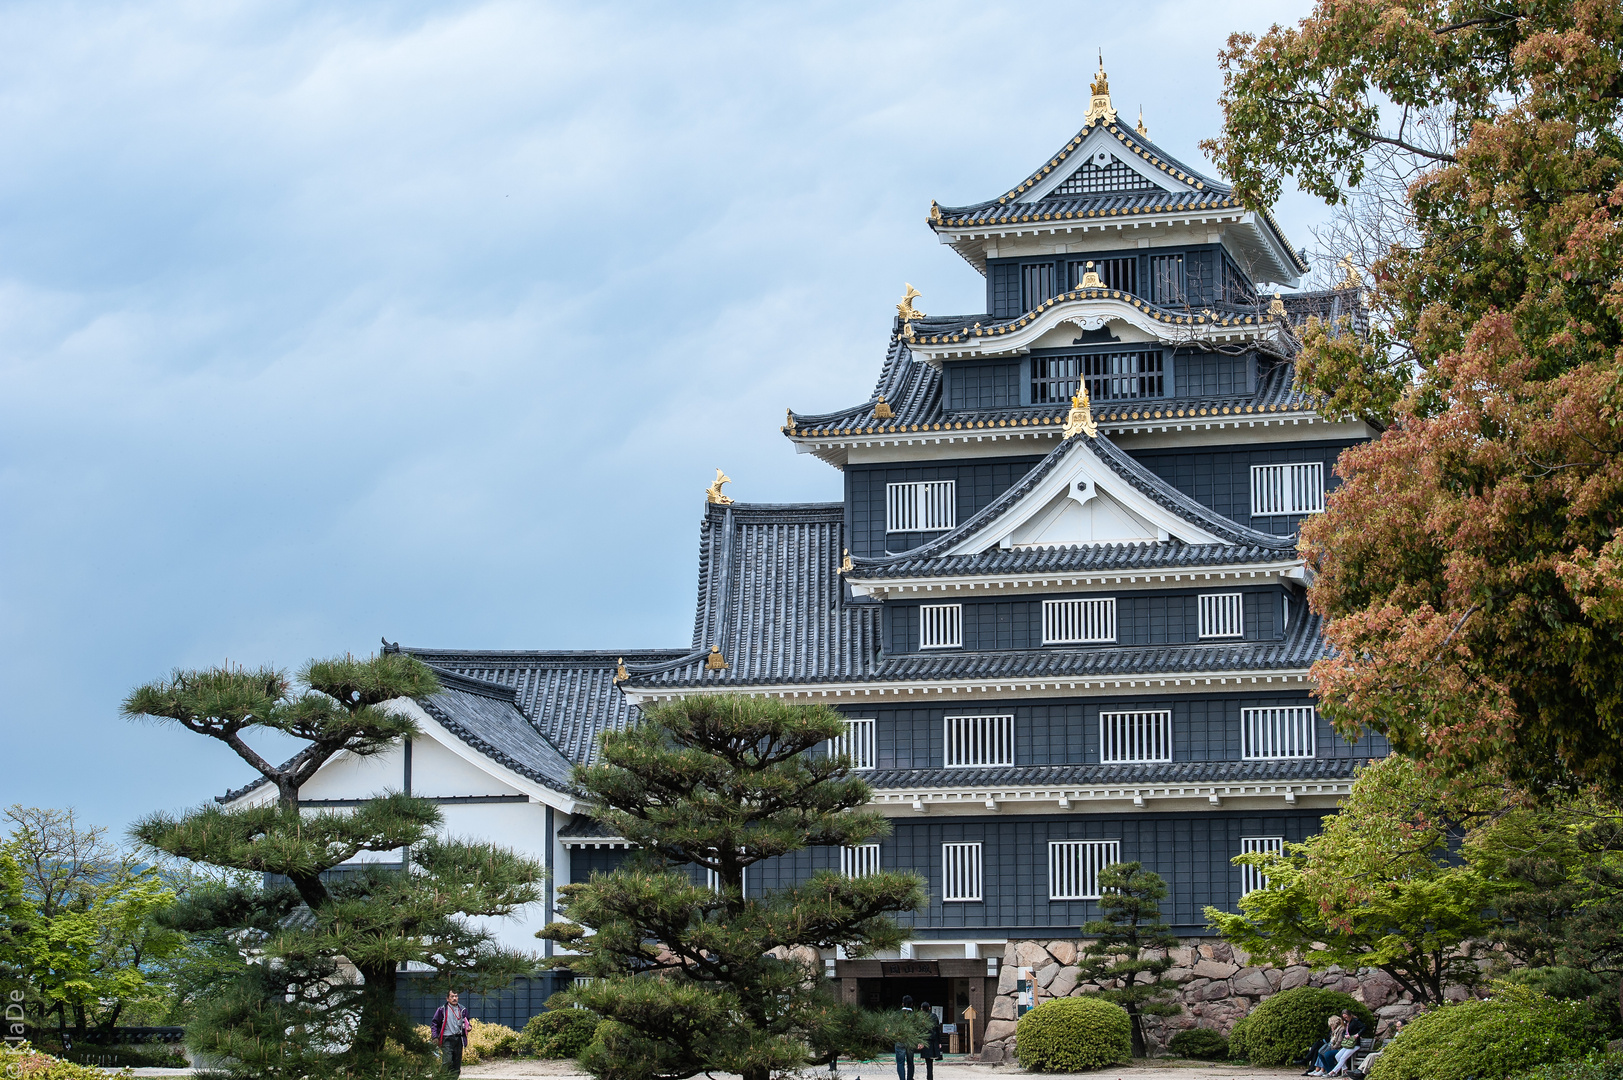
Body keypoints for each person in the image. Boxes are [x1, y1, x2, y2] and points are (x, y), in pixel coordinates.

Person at [431, 989, 472, 1076]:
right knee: (447, 1061)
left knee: (457, 1065)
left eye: (456, 996)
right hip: (447, 1038)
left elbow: (467, 1022)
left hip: (458, 1039)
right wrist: (435, 1037)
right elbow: (434, 1023)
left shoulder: (463, 1009)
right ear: (447, 999)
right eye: (452, 996)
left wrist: (469, 1027)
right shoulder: (442, 1010)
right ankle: (441, 1077)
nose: (454, 998)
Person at [1327, 1010, 1367, 1077]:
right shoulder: (1347, 1023)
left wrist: (1357, 1034)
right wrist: (1344, 1036)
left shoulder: (1355, 1021)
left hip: (1354, 1044)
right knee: (1337, 1056)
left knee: (1343, 1058)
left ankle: (1333, 1072)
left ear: (1349, 1015)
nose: (1346, 1019)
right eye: (1344, 1018)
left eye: (1346, 1017)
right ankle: (1345, 1070)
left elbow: (1364, 1027)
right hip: (1348, 1043)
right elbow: (1344, 1032)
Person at [916, 1001, 942, 1080]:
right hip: (933, 1040)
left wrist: (919, 1041)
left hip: (925, 1041)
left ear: (921, 1009)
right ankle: (930, 1077)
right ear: (929, 1008)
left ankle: (929, 1077)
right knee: (931, 1060)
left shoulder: (921, 1018)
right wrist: (939, 1041)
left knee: (928, 1060)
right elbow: (937, 1029)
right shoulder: (934, 1016)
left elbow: (919, 1030)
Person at [894, 996, 916, 1080]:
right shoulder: (915, 1015)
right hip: (911, 1040)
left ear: (902, 1004)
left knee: (900, 1062)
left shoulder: (897, 1014)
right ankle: (910, 1078)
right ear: (912, 1004)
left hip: (900, 1040)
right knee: (910, 1062)